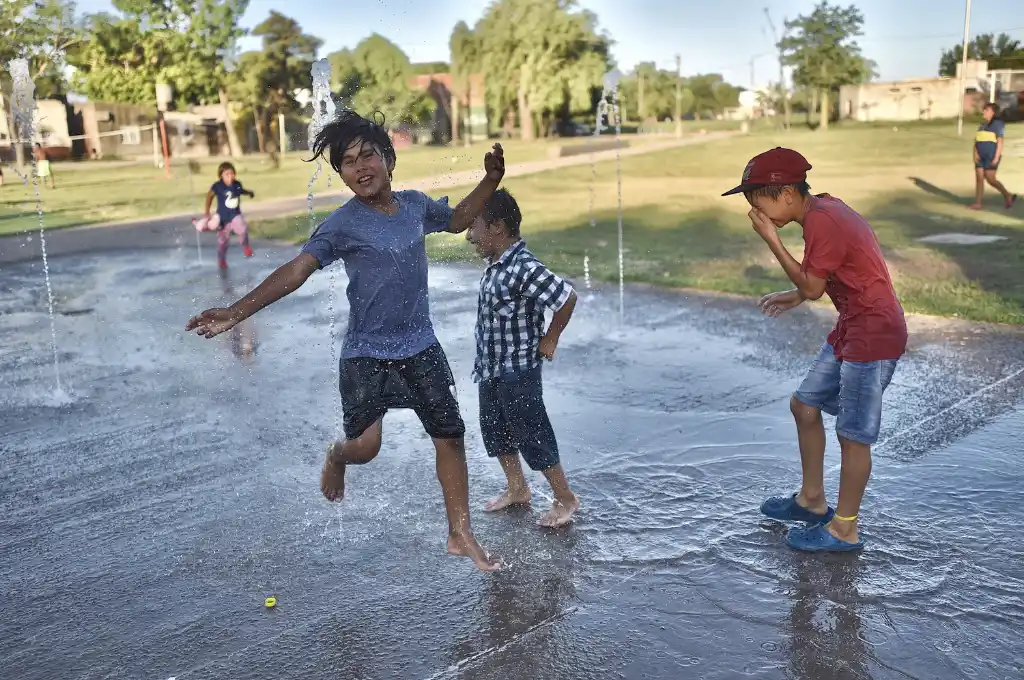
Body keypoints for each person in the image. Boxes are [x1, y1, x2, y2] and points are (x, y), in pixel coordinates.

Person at [185, 110, 506, 572]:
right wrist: (236, 312)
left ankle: (460, 533)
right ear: (341, 174)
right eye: (348, 162)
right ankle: (336, 454)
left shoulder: (415, 206)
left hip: (420, 346)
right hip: (366, 354)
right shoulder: (342, 225)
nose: (360, 167)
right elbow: (297, 270)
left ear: (388, 159)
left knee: (450, 436)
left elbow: (457, 220)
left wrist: (490, 180)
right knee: (365, 448)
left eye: (368, 155)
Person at [722, 147, 907, 552]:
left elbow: (812, 285)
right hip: (852, 327)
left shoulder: (823, 220)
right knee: (804, 405)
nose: (756, 211)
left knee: (853, 437)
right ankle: (811, 500)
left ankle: (845, 528)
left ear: (786, 194)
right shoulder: (821, 211)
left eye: (758, 201)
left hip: (873, 335)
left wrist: (772, 240)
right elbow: (824, 278)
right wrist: (797, 295)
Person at [465, 189, 580, 528]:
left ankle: (565, 497)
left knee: (532, 432)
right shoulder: (497, 265)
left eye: (475, 228)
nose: (470, 236)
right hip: (491, 369)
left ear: (497, 227)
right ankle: (517, 488)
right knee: (495, 429)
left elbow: (566, 297)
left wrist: (551, 337)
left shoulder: (523, 266)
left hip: (518, 370)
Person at [195, 162, 255, 269]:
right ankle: (221, 259)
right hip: (222, 218)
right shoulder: (218, 186)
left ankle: (246, 247)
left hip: (235, 215)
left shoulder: (237, 184)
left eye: (232, 174)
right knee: (223, 241)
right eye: (227, 174)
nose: (230, 176)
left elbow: (241, 191)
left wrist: (249, 193)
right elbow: (209, 196)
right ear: (221, 175)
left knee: (242, 229)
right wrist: (207, 211)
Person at [970, 102, 1017, 210]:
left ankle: (1007, 195)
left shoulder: (997, 124)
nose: (984, 112)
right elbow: (977, 141)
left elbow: (1000, 141)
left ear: (993, 112)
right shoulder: (982, 126)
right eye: (984, 109)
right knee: (979, 178)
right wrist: (975, 153)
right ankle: (978, 203)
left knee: (990, 179)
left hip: (991, 156)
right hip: (980, 156)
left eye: (987, 110)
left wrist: (996, 157)